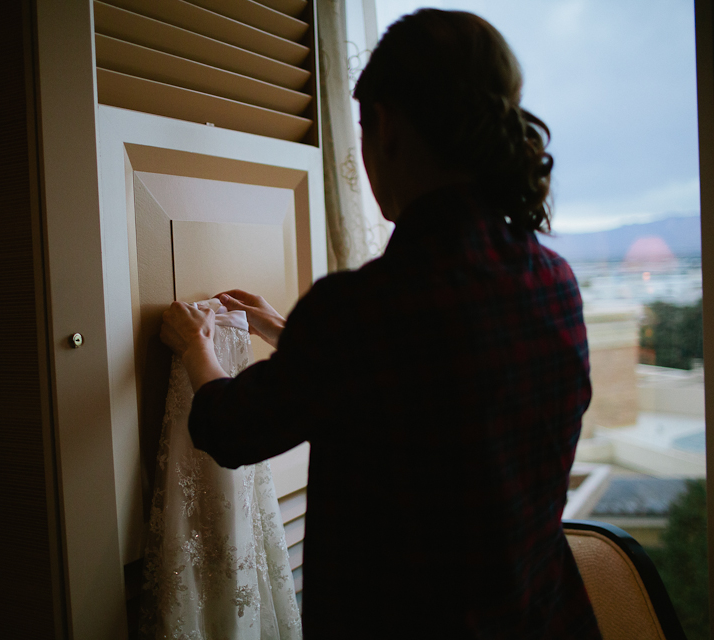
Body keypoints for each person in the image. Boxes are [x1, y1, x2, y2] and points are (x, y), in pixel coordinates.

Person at [160, 8, 601, 639]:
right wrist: (287, 333)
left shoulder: (362, 311)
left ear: (385, 126)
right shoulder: (553, 280)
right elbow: (438, 380)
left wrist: (194, 347)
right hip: (540, 617)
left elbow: (231, 429)